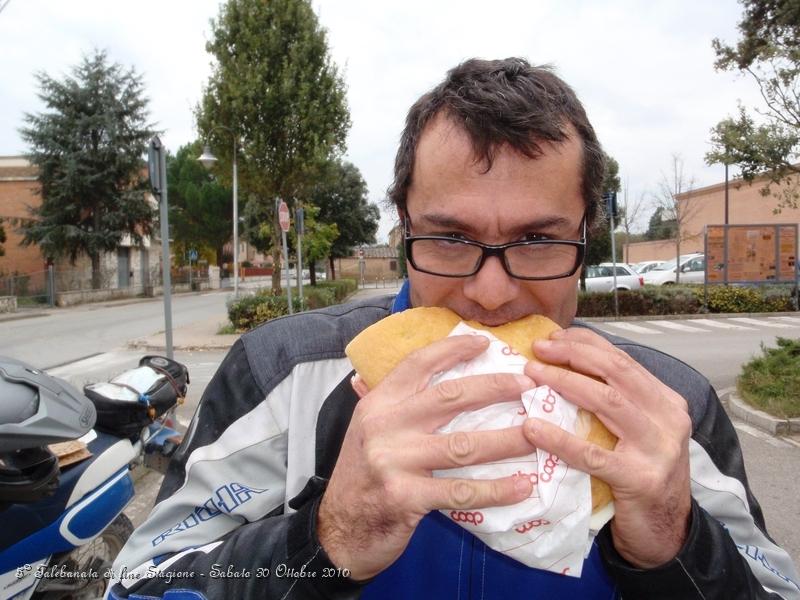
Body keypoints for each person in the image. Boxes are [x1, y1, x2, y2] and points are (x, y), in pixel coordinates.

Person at [110, 57, 800, 599]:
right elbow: (137, 584)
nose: (491, 292)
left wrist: (677, 549)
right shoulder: (285, 376)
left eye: (537, 239)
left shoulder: (670, 408)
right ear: (403, 227)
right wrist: (322, 544)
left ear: (588, 237)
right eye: (448, 238)